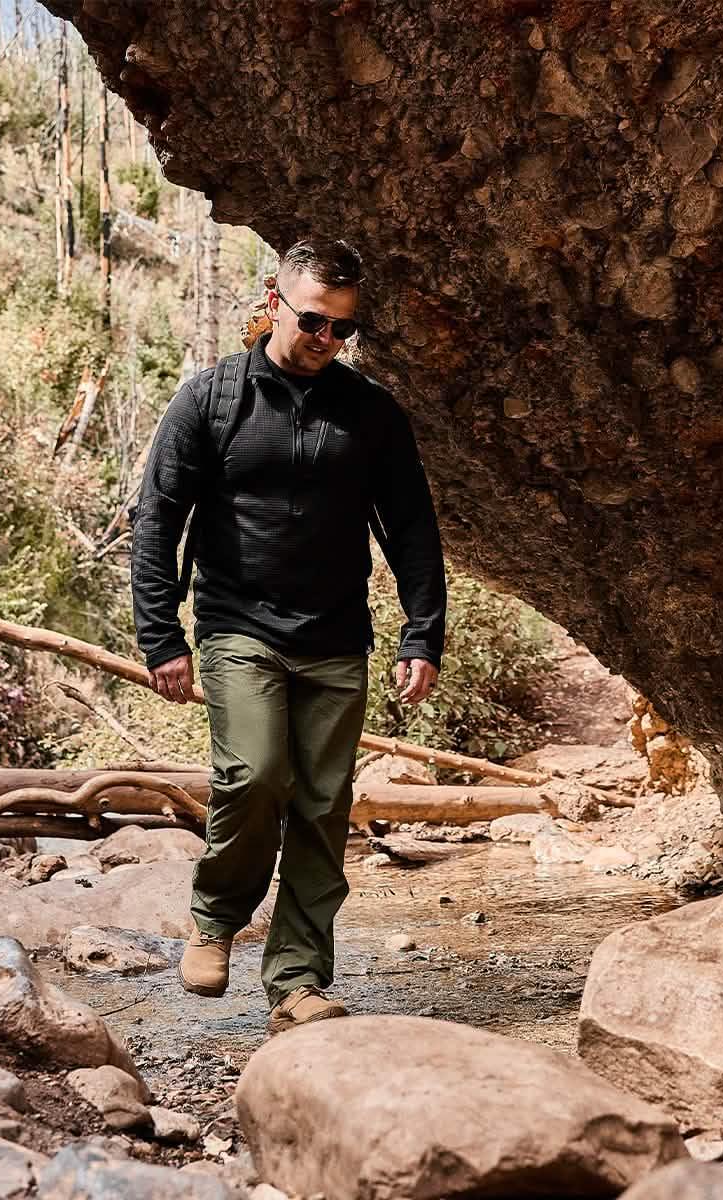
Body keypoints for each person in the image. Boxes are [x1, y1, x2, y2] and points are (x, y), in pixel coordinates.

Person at [130, 238, 446, 1034]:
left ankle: (298, 981)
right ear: (273, 302)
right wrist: (161, 634)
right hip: (240, 626)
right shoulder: (211, 400)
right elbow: (158, 519)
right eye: (313, 321)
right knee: (254, 774)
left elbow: (410, 527)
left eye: (343, 328)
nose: (326, 340)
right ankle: (216, 918)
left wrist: (423, 633)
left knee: (322, 807)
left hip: (337, 637)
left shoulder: (370, 414)